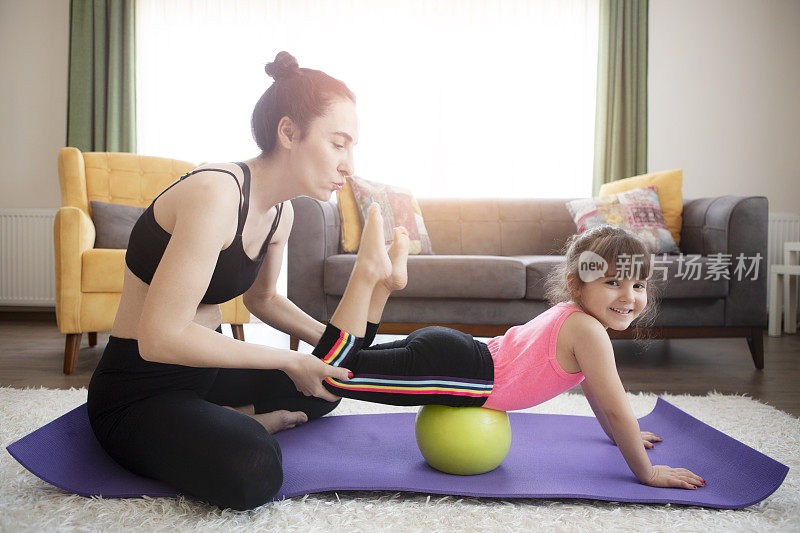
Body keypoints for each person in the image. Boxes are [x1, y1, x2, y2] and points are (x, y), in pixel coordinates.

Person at [86, 51, 357, 511]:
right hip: (139, 391)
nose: (349, 164)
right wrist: (287, 361)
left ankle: (230, 416)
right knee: (254, 469)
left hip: (205, 378)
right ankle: (246, 425)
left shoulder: (281, 213)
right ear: (288, 132)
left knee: (328, 386)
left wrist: (336, 345)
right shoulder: (215, 194)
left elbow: (264, 299)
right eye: (338, 144)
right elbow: (159, 339)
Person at [313, 206, 707, 491]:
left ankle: (384, 286)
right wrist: (647, 472)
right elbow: (619, 409)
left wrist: (624, 436)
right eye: (613, 283)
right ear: (576, 284)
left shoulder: (572, 316)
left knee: (348, 362)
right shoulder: (589, 332)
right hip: (462, 376)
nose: (628, 297)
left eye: (637, 286)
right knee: (332, 374)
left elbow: (600, 398)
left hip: (455, 352)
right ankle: (367, 278)